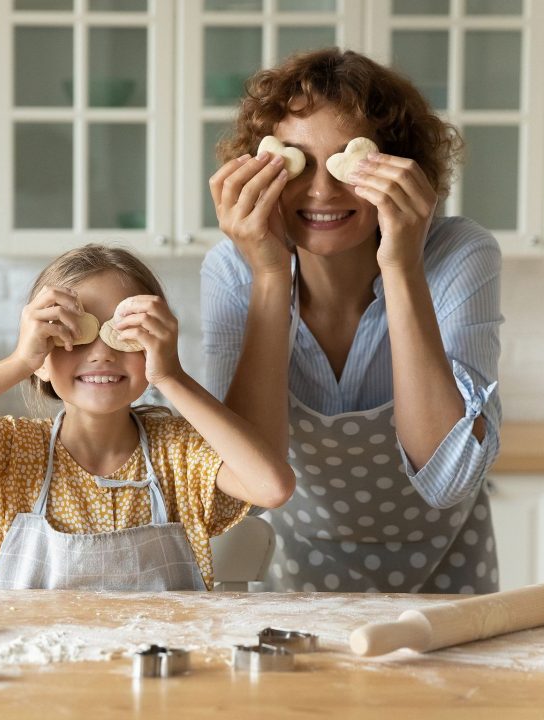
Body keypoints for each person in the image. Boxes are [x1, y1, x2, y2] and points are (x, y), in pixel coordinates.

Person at [202, 48, 503, 594]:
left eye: (350, 161)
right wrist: (270, 276)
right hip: (295, 582)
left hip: (447, 584)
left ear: (403, 166)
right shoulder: (233, 269)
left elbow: (448, 479)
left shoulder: (458, 253)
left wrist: (402, 265)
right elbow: (246, 492)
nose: (322, 191)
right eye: (296, 163)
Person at [0, 245, 294, 590]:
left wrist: (172, 375)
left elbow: (272, 487)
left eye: (124, 333)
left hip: (157, 664)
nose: (102, 353)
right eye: (74, 334)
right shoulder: (11, 452)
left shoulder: (179, 453)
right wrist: (20, 362)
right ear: (43, 356)